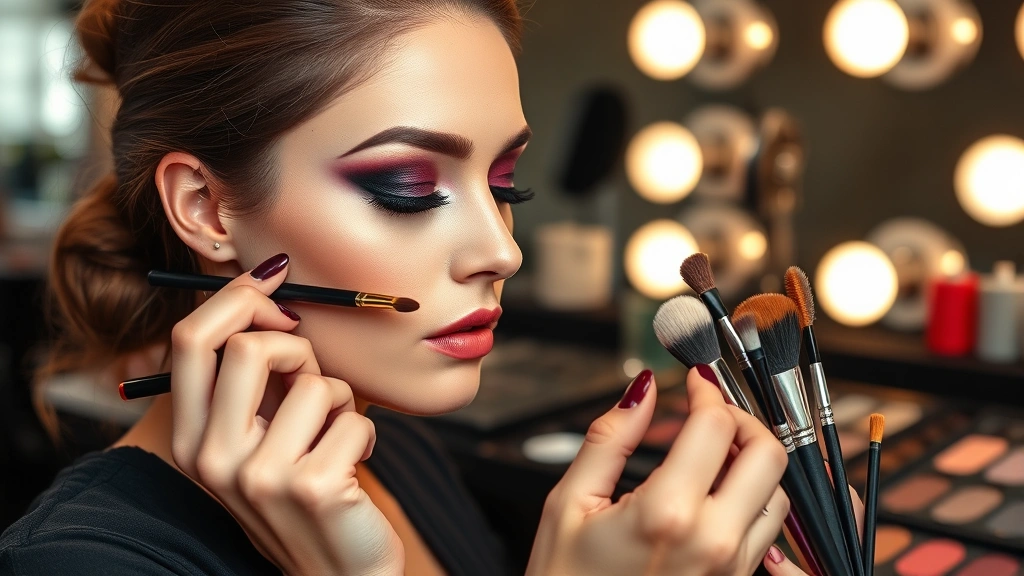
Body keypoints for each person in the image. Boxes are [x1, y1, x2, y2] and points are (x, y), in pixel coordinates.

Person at [0, 0, 853, 574]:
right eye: (406, 187)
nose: (501, 250)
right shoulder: (83, 560)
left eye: (506, 183)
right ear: (206, 207)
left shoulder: (392, 445)